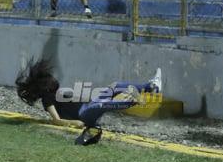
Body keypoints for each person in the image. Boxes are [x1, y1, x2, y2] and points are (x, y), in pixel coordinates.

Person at [16, 58, 162, 145]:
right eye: (50, 78)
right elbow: (56, 120)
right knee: (102, 104)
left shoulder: (57, 93)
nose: (54, 79)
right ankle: (134, 101)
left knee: (115, 85)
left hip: (88, 105)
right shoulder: (47, 99)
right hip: (84, 114)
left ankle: (151, 86)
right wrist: (73, 123)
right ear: (44, 85)